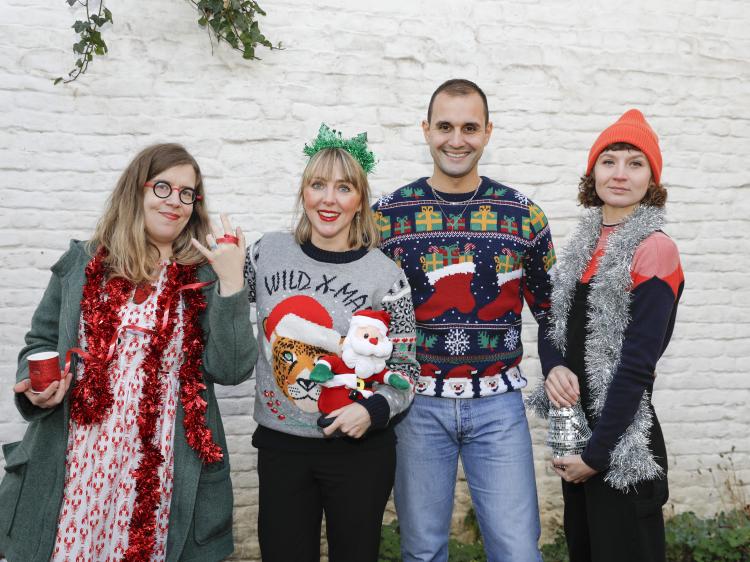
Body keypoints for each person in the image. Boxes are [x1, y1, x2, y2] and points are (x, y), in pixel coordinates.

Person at [0, 143, 256, 562]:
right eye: (163, 187)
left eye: (187, 193)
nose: (175, 201)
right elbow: (41, 342)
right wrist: (36, 387)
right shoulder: (83, 263)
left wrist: (231, 285)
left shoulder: (205, 273)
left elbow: (231, 370)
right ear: (136, 190)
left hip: (159, 463)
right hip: (78, 456)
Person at [373, 79, 562, 562]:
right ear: (425, 130)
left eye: (469, 127)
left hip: (498, 406)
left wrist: (561, 370)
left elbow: (552, 313)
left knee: (518, 550)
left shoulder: (524, 217)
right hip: (417, 406)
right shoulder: (387, 219)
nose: (456, 139)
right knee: (421, 551)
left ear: (488, 132)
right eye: (445, 126)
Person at [244, 124, 419, 562]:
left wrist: (373, 409)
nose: (329, 199)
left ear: (360, 199)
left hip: (360, 451)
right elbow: (223, 320)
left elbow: (407, 368)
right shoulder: (266, 254)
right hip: (282, 445)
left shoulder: (386, 277)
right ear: (304, 192)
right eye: (318, 185)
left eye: (344, 188)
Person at [528, 109, 684, 562]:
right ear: (592, 171)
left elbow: (636, 365)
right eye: (609, 160)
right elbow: (551, 322)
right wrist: (554, 364)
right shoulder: (583, 246)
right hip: (577, 433)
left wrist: (595, 456)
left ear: (652, 178)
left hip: (619, 444)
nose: (620, 174)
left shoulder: (655, 249)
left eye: (635, 163)